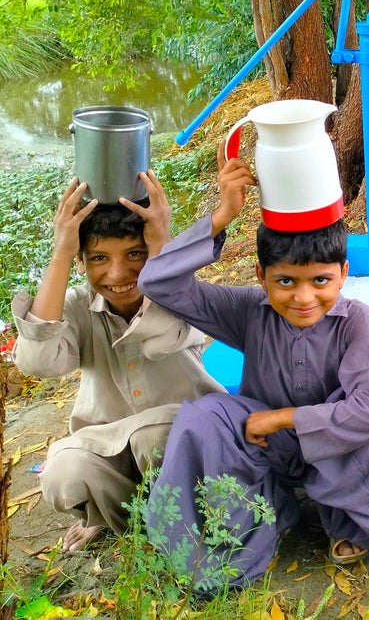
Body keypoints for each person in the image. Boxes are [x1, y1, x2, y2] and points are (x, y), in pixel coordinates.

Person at [137, 143, 369, 593]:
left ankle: (355, 522)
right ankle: (240, 531)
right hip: (267, 449)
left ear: (344, 272)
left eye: (321, 280)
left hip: (338, 454)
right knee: (204, 415)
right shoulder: (251, 310)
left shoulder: (357, 322)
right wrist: (222, 217)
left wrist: (283, 417)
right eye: (285, 281)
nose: (304, 298)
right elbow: (157, 283)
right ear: (261, 275)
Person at [12, 172, 224, 553]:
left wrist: (161, 238)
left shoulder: (183, 294)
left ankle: (190, 519)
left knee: (152, 436)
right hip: (113, 447)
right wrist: (62, 251)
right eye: (98, 258)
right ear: (81, 261)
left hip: (188, 439)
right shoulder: (77, 306)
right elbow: (39, 362)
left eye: (135, 254)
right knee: (62, 472)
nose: (117, 274)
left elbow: (163, 338)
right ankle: (122, 519)